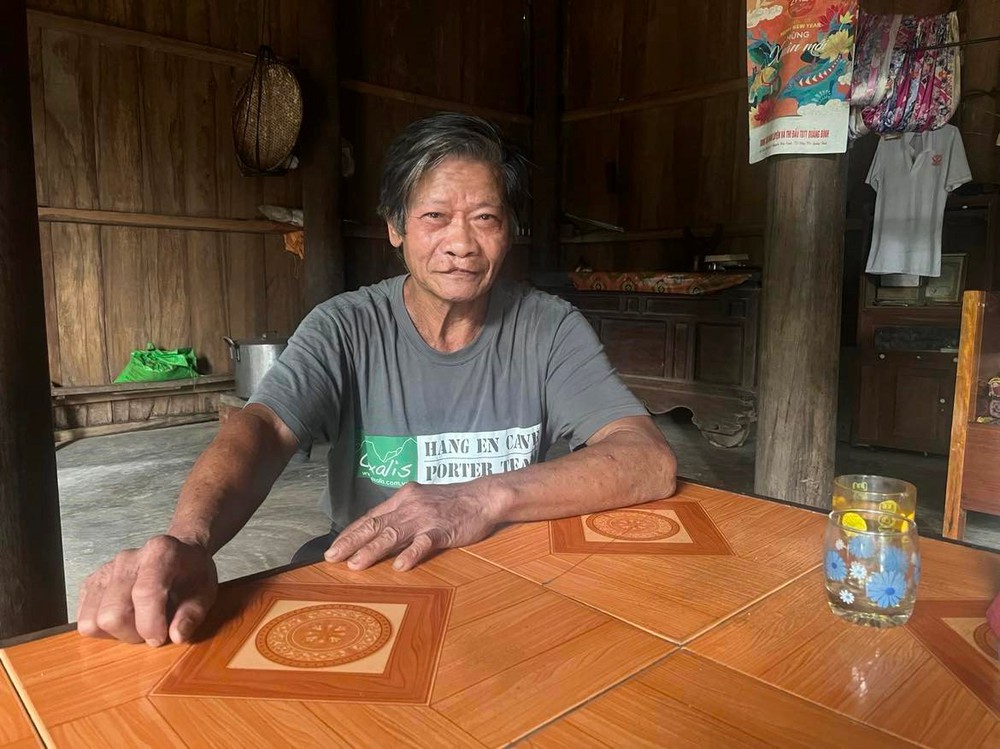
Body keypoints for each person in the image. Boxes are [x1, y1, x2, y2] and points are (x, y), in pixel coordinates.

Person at [76, 112, 678, 646]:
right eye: (435, 217)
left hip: (508, 570)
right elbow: (261, 429)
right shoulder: (345, 326)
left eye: (485, 218)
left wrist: (478, 498)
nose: (461, 243)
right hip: (375, 575)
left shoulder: (549, 327)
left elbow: (647, 460)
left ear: (509, 229)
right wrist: (190, 539)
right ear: (396, 227)